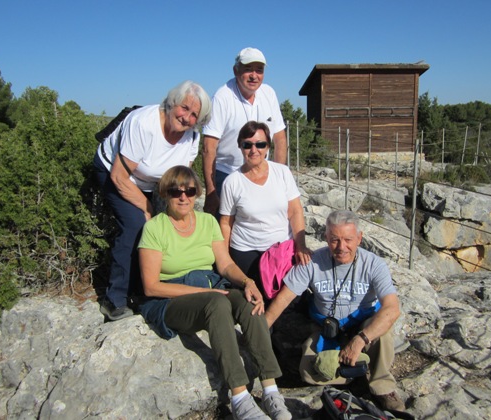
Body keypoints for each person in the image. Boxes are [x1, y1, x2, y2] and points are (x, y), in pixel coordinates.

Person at [137, 165, 291, 420]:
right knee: (215, 303)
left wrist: (248, 282)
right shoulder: (155, 228)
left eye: (189, 191)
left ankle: (271, 389)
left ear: (196, 193)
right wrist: (202, 292)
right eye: (175, 191)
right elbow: (151, 286)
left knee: (247, 302)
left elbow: (225, 264)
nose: (183, 197)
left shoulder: (208, 222)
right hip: (170, 298)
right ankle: (240, 398)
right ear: (165, 194)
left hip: (210, 287)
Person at [265, 210, 406, 412]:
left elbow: (392, 309)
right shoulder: (312, 262)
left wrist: (360, 340)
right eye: (334, 240)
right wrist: (261, 330)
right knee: (308, 372)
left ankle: (383, 387)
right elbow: (284, 298)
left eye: (348, 240)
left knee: (382, 335)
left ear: (359, 238)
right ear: (326, 237)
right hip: (327, 326)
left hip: (362, 324)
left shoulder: (374, 264)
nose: (341, 247)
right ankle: (355, 375)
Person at [93, 81, 212, 321]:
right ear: (171, 103)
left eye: (194, 115)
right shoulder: (144, 124)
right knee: (137, 224)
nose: (187, 117)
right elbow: (119, 176)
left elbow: (178, 179)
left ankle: (148, 289)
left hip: (151, 181)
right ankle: (114, 298)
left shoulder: (191, 137)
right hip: (115, 172)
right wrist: (147, 209)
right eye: (184, 108)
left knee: (164, 226)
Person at [219, 121, 311, 298]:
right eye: (247, 145)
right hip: (246, 250)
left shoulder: (282, 173)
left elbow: (295, 211)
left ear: (268, 146)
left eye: (260, 144)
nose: (254, 150)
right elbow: (226, 223)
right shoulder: (232, 182)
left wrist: (301, 246)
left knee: (288, 299)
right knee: (255, 298)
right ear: (240, 147)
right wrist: (224, 260)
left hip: (281, 249)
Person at [202, 47, 287, 215]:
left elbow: (280, 139)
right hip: (227, 173)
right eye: (248, 69)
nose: (254, 75)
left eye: (259, 70)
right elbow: (208, 148)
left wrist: (278, 177)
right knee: (225, 225)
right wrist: (211, 192)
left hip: (262, 172)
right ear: (236, 70)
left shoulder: (269, 94)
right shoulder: (222, 97)